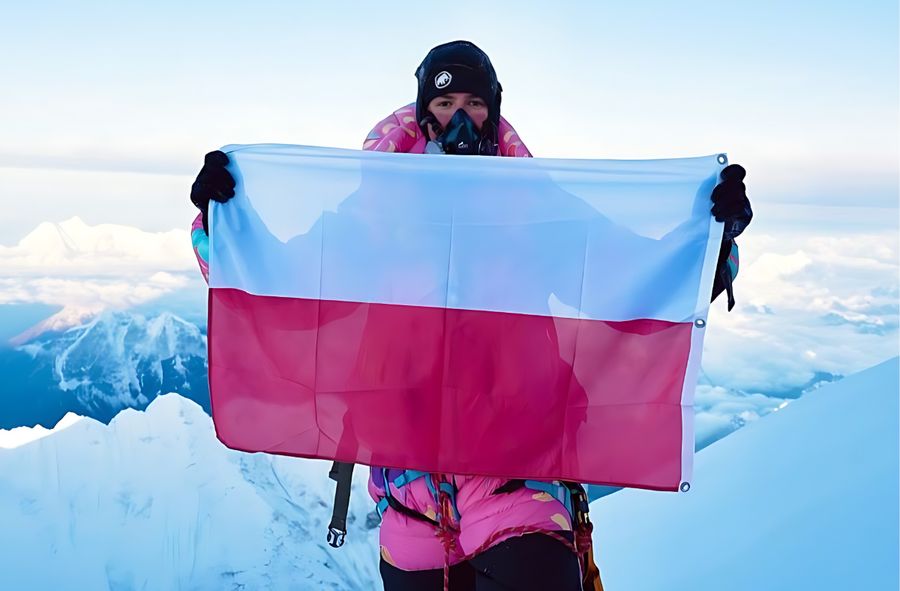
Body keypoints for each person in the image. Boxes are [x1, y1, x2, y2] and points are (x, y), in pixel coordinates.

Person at [188, 40, 752, 591]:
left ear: (493, 111)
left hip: (516, 469)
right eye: (444, 103)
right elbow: (285, 283)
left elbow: (625, 272)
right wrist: (221, 222)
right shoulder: (370, 213)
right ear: (423, 114)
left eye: (474, 104)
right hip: (408, 492)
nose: (461, 118)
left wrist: (710, 240)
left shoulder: (535, 207)